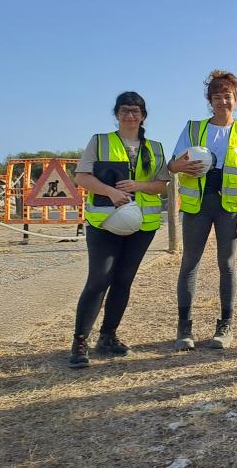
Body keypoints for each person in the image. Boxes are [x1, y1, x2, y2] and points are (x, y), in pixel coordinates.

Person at [69, 92, 170, 368]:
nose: (130, 115)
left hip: (143, 225)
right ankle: (80, 341)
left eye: (136, 111)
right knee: (99, 279)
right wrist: (110, 193)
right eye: (125, 110)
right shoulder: (100, 142)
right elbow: (82, 176)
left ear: (143, 115)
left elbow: (163, 185)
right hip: (105, 222)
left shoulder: (156, 148)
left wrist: (138, 186)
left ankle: (108, 336)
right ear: (116, 114)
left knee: (123, 280)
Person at [169, 70, 237, 351]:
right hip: (197, 205)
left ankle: (225, 326)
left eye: (228, 97)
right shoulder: (194, 128)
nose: (223, 102)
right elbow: (172, 165)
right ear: (210, 101)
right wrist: (180, 166)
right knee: (190, 263)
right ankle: (184, 328)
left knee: (227, 265)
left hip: (229, 208)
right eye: (217, 97)